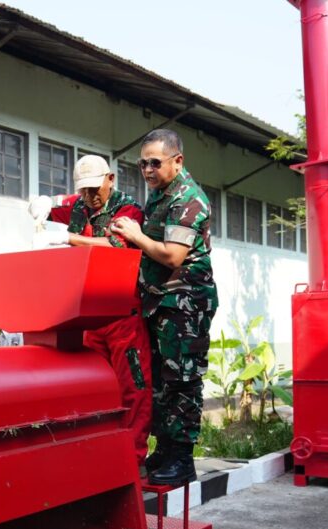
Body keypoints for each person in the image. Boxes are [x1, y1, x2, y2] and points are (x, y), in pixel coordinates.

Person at [27, 155, 153, 466]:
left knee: (133, 387)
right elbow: (56, 202)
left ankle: (132, 460)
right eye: (83, 190)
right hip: (87, 313)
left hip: (122, 312)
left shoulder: (128, 209)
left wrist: (66, 237)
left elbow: (118, 244)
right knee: (95, 387)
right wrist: (39, 202)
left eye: (95, 189)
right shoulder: (80, 203)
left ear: (111, 179)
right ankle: (99, 457)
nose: (89, 196)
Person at [110, 129, 217, 485]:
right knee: (161, 379)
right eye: (143, 163)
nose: (147, 170)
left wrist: (136, 236)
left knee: (183, 379)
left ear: (177, 161)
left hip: (186, 303)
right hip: (160, 301)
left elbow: (173, 255)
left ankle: (183, 458)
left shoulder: (189, 199)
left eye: (155, 162)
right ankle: (166, 449)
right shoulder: (159, 196)